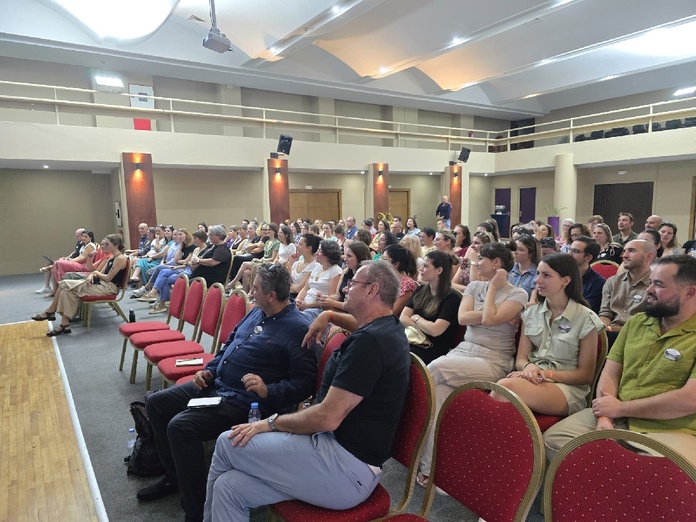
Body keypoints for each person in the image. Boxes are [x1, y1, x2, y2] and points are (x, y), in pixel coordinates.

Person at [203, 261, 410, 522]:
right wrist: (329, 315)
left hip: (344, 468)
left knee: (227, 443)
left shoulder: (369, 344)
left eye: (352, 284)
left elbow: (327, 418)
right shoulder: (387, 327)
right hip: (334, 454)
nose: (345, 288)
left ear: (372, 290)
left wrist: (271, 423)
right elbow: (363, 328)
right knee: (229, 487)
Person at [136, 264, 318, 522]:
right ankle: (175, 477)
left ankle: (196, 510)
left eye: (255, 289)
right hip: (217, 385)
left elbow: (305, 384)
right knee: (157, 403)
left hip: (247, 403)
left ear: (272, 295)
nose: (250, 293)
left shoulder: (299, 328)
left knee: (180, 427)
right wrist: (209, 370)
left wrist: (268, 390)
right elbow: (229, 344)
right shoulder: (257, 312)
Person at [544, 255, 696, 466]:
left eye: (659, 284)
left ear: (690, 292)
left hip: (669, 427)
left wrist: (619, 409)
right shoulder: (637, 323)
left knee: (651, 471)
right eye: (650, 281)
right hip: (616, 416)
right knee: (554, 441)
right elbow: (610, 373)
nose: (648, 289)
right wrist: (606, 416)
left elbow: (690, 399)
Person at [416, 242, 528, 488]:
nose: (476, 264)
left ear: (496, 264)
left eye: (481, 261)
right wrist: (497, 314)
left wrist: (494, 293)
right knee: (440, 399)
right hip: (464, 351)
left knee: (432, 370)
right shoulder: (474, 286)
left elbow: (487, 318)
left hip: (494, 359)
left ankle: (419, 452)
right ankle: (433, 469)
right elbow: (463, 318)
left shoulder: (518, 294)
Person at [493, 253, 604, 417]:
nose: (537, 280)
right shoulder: (531, 313)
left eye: (546, 275)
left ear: (565, 281)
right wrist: (529, 367)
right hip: (532, 378)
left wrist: (546, 374)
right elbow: (521, 359)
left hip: (567, 388)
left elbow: (585, 375)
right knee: (501, 395)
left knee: (505, 388)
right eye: (538, 273)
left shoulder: (585, 319)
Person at [32, 234, 128, 335]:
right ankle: (64, 324)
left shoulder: (120, 258)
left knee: (64, 284)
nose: (103, 246)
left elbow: (107, 278)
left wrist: (95, 274)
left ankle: (50, 311)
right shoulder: (112, 257)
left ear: (115, 245)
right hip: (101, 284)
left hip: (108, 287)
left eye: (107, 244)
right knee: (66, 291)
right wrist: (93, 275)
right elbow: (98, 273)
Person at [400, 250, 461, 364]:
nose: (420, 269)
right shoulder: (420, 290)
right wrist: (424, 326)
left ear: (439, 270)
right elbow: (403, 318)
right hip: (414, 339)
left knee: (396, 353)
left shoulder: (452, 298)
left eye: (426, 266)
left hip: (432, 347)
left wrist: (416, 318)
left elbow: (435, 330)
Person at [599, 239, 656, 344]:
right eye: (624, 251)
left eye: (631, 251)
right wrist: (604, 328)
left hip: (639, 337)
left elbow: (651, 323)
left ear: (648, 256)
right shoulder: (612, 281)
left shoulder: (655, 286)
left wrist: (619, 330)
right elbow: (605, 313)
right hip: (611, 334)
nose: (624, 255)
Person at [316, 241, 372, 313]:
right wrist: (325, 298)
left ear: (360, 257)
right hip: (340, 310)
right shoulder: (345, 272)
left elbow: (355, 306)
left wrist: (333, 303)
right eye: (345, 255)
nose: (345, 259)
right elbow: (338, 296)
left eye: (349, 256)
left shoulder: (366, 277)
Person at [296, 240, 343, 319]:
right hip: (305, 304)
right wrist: (298, 300)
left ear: (328, 254)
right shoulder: (317, 267)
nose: (316, 253)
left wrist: (307, 306)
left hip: (318, 308)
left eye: (320, 251)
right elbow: (305, 288)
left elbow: (332, 297)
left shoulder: (335, 271)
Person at [568, 235, 606, 313]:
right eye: (569, 249)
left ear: (588, 258)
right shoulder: (560, 275)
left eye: (575, 251)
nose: (569, 254)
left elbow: (587, 311)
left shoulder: (598, 283)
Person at [381, 244, 419, 317]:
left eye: (384, 259)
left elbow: (392, 311)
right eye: (381, 257)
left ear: (396, 264)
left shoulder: (407, 284)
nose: (380, 261)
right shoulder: (385, 278)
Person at [508, 235, 541, 299]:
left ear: (531, 253)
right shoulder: (508, 269)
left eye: (520, 250)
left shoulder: (537, 274)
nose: (515, 252)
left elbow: (533, 303)